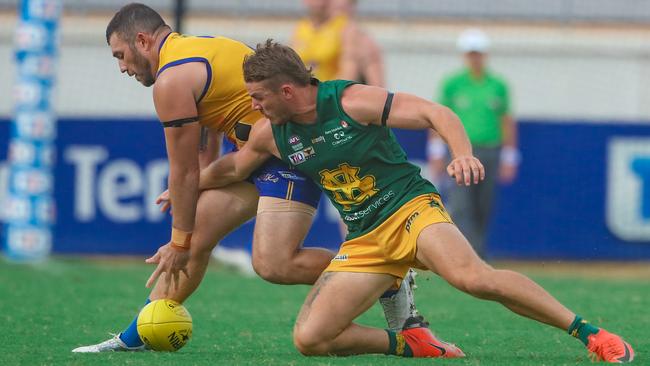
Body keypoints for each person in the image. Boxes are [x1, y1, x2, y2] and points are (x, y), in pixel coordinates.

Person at [198, 39, 634, 362]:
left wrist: (462, 153)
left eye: (258, 96)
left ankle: (589, 333)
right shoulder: (270, 133)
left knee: (473, 278)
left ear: (287, 91)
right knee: (311, 340)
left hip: (410, 210)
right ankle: (410, 343)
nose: (252, 105)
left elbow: (435, 113)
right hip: (365, 237)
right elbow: (235, 169)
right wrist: (192, 183)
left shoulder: (350, 101)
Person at [72, 3, 418, 353]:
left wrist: (177, 240)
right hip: (254, 156)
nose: (121, 67)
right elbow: (206, 144)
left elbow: (184, 170)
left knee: (273, 263)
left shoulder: (170, 80)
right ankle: (137, 338)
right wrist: (187, 225)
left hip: (287, 151)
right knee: (195, 237)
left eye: (121, 55)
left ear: (142, 40)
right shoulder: (194, 48)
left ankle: (385, 272)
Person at [428, 28, 519, 257]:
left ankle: (476, 252)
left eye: (478, 53)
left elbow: (506, 120)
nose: (474, 58)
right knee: (461, 205)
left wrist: (510, 155)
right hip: (460, 152)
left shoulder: (497, 84)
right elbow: (439, 118)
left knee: (483, 206)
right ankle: (464, 256)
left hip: (491, 150)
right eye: (471, 53)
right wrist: (437, 150)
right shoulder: (453, 84)